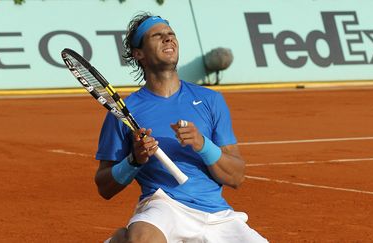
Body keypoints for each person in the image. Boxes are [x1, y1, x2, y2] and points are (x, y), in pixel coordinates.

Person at [95, 12, 268, 243]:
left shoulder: (210, 100)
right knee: (142, 239)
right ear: (139, 54)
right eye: (157, 36)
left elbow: (236, 176)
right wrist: (134, 160)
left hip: (219, 216)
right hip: (165, 207)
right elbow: (105, 187)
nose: (168, 39)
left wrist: (203, 144)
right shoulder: (125, 112)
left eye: (171, 34)